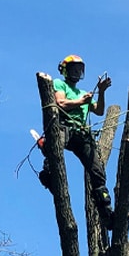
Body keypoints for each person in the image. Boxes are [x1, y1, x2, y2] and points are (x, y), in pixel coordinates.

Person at [39, 53, 113, 224]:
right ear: (66, 70)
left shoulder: (82, 93)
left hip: (80, 133)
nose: (77, 73)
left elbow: (99, 110)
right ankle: (49, 173)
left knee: (97, 170)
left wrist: (101, 92)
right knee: (56, 148)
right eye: (74, 69)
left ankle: (105, 211)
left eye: (80, 70)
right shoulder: (59, 84)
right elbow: (60, 103)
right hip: (64, 126)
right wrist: (81, 102)